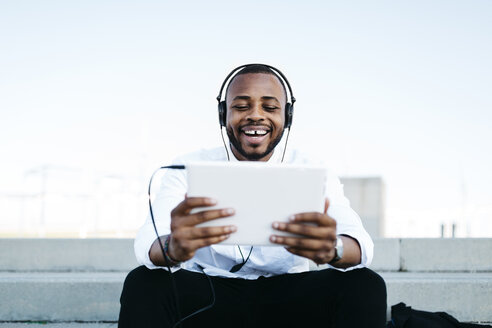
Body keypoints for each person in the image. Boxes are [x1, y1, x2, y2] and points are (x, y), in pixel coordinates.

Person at [118, 64, 387, 327]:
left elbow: (361, 247)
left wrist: (333, 249)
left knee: (365, 284)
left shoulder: (312, 170)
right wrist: (174, 249)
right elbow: (148, 245)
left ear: (287, 116)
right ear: (223, 114)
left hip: (288, 295)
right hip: (209, 293)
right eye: (241, 106)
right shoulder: (187, 168)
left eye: (270, 107)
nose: (256, 115)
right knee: (144, 282)